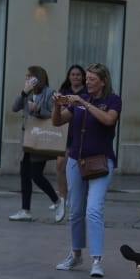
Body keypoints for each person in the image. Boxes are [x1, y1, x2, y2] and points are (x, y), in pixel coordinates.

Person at [52, 63, 121, 278]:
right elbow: (57, 121)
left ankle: (97, 260)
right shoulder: (79, 99)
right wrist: (56, 105)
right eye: (86, 78)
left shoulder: (112, 100)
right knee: (75, 210)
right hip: (76, 160)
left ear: (103, 81)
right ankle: (75, 254)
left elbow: (109, 120)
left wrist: (83, 103)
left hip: (101, 161)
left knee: (93, 209)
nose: (86, 82)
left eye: (91, 79)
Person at [8, 65, 63, 223]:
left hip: (41, 139)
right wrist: (24, 93)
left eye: (29, 77)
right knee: (25, 175)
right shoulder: (27, 92)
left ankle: (58, 201)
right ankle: (25, 210)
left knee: (36, 175)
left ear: (38, 78)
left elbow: (55, 117)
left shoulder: (50, 93)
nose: (27, 79)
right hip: (27, 139)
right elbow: (14, 107)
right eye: (26, 77)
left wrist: (39, 110)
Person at [55, 64, 87, 207]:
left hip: (81, 133)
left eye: (78, 75)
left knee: (78, 168)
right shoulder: (63, 92)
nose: (75, 77)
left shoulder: (87, 93)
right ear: (69, 77)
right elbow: (57, 113)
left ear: (83, 77)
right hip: (65, 133)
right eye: (73, 74)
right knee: (61, 165)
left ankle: (75, 198)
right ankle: (62, 197)